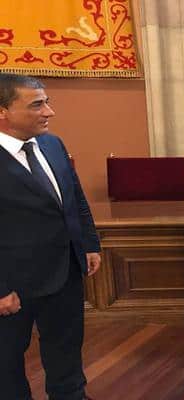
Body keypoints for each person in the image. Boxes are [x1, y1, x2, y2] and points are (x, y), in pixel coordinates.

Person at [0, 73, 101, 400]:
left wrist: (88, 243)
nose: (49, 112)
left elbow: (75, 198)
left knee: (66, 347)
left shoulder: (52, 144)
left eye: (47, 102)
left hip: (65, 271)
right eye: (36, 105)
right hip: (12, 285)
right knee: (7, 361)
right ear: (3, 111)